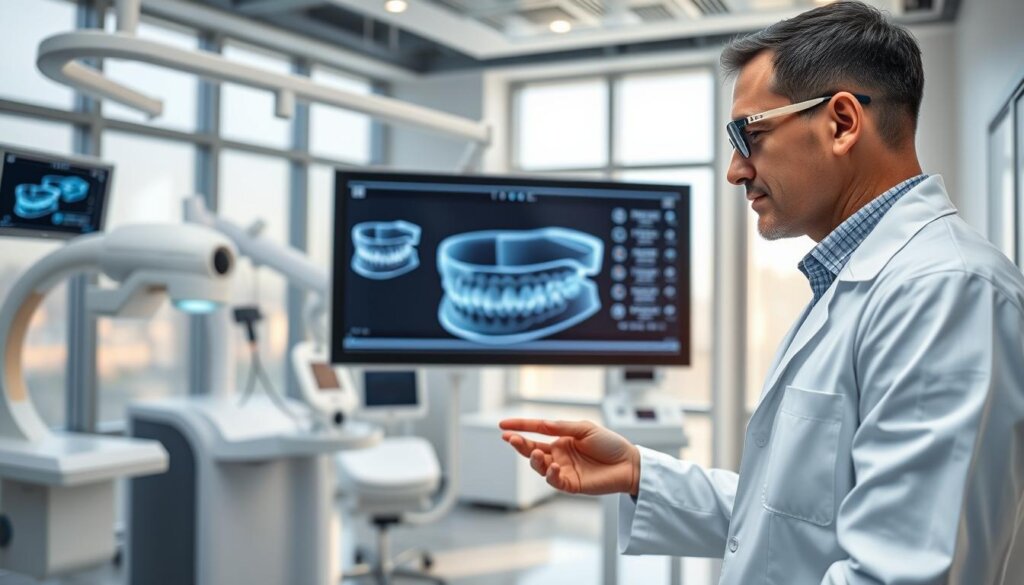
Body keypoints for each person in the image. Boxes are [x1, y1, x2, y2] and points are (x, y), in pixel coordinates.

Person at [499, 2, 1024, 584]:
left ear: (842, 123)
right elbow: (793, 521)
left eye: (749, 134)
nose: (735, 170)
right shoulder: (859, 281)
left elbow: (899, 575)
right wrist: (641, 473)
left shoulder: (945, 294)